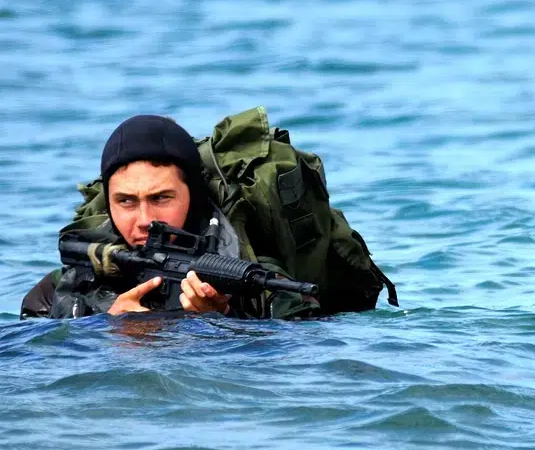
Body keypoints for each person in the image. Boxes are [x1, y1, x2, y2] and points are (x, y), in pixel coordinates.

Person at [20, 115, 320, 319]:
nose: (144, 219)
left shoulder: (255, 281)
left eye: (161, 198)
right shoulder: (59, 288)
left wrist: (220, 322)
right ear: (107, 202)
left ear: (194, 196)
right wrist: (107, 328)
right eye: (125, 201)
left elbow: (297, 359)